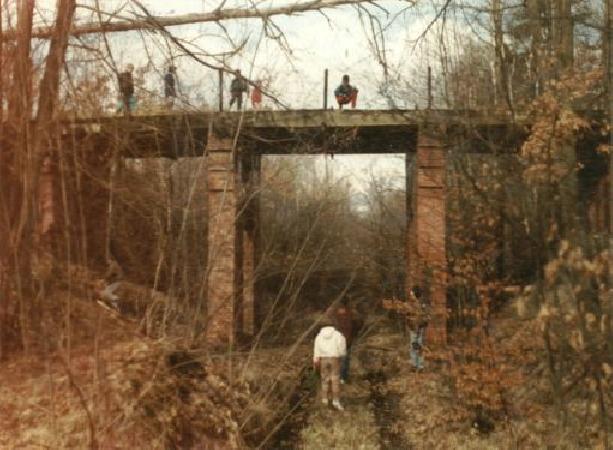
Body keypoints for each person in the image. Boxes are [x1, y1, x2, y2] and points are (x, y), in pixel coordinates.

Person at [313, 319, 347, 411]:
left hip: (323, 359)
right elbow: (342, 348)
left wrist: (316, 360)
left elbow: (316, 350)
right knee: (335, 379)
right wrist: (341, 355)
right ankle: (335, 401)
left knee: (324, 379)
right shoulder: (338, 335)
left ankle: (324, 400)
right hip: (334, 358)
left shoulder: (319, 336)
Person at [331, 300, 355, 384]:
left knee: (343, 359)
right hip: (344, 340)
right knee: (344, 359)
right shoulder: (348, 313)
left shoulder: (341, 313)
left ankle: (342, 377)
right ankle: (342, 377)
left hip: (343, 340)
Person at [408, 286, 430, 371]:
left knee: (419, 345)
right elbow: (408, 316)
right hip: (413, 327)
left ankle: (420, 366)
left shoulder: (422, 305)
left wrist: (422, 324)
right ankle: (414, 365)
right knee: (413, 345)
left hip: (419, 328)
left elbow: (426, 317)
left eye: (412, 294)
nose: (411, 295)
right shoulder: (411, 305)